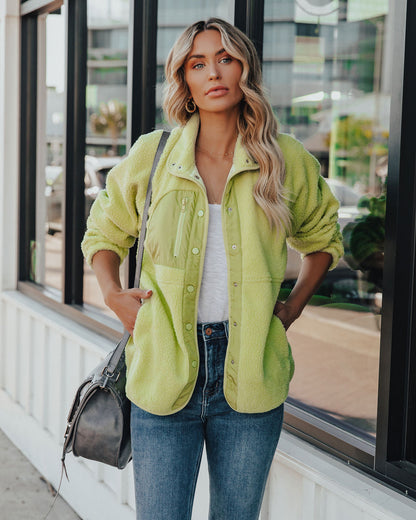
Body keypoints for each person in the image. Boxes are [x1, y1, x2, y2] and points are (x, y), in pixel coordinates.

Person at [82, 17, 343, 520]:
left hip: (250, 373)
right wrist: (113, 294)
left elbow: (323, 238)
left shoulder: (283, 158)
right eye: (198, 63)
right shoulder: (153, 155)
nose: (213, 73)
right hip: (164, 368)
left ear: (245, 68)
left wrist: (293, 307)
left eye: (225, 58)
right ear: (184, 79)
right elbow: (104, 232)